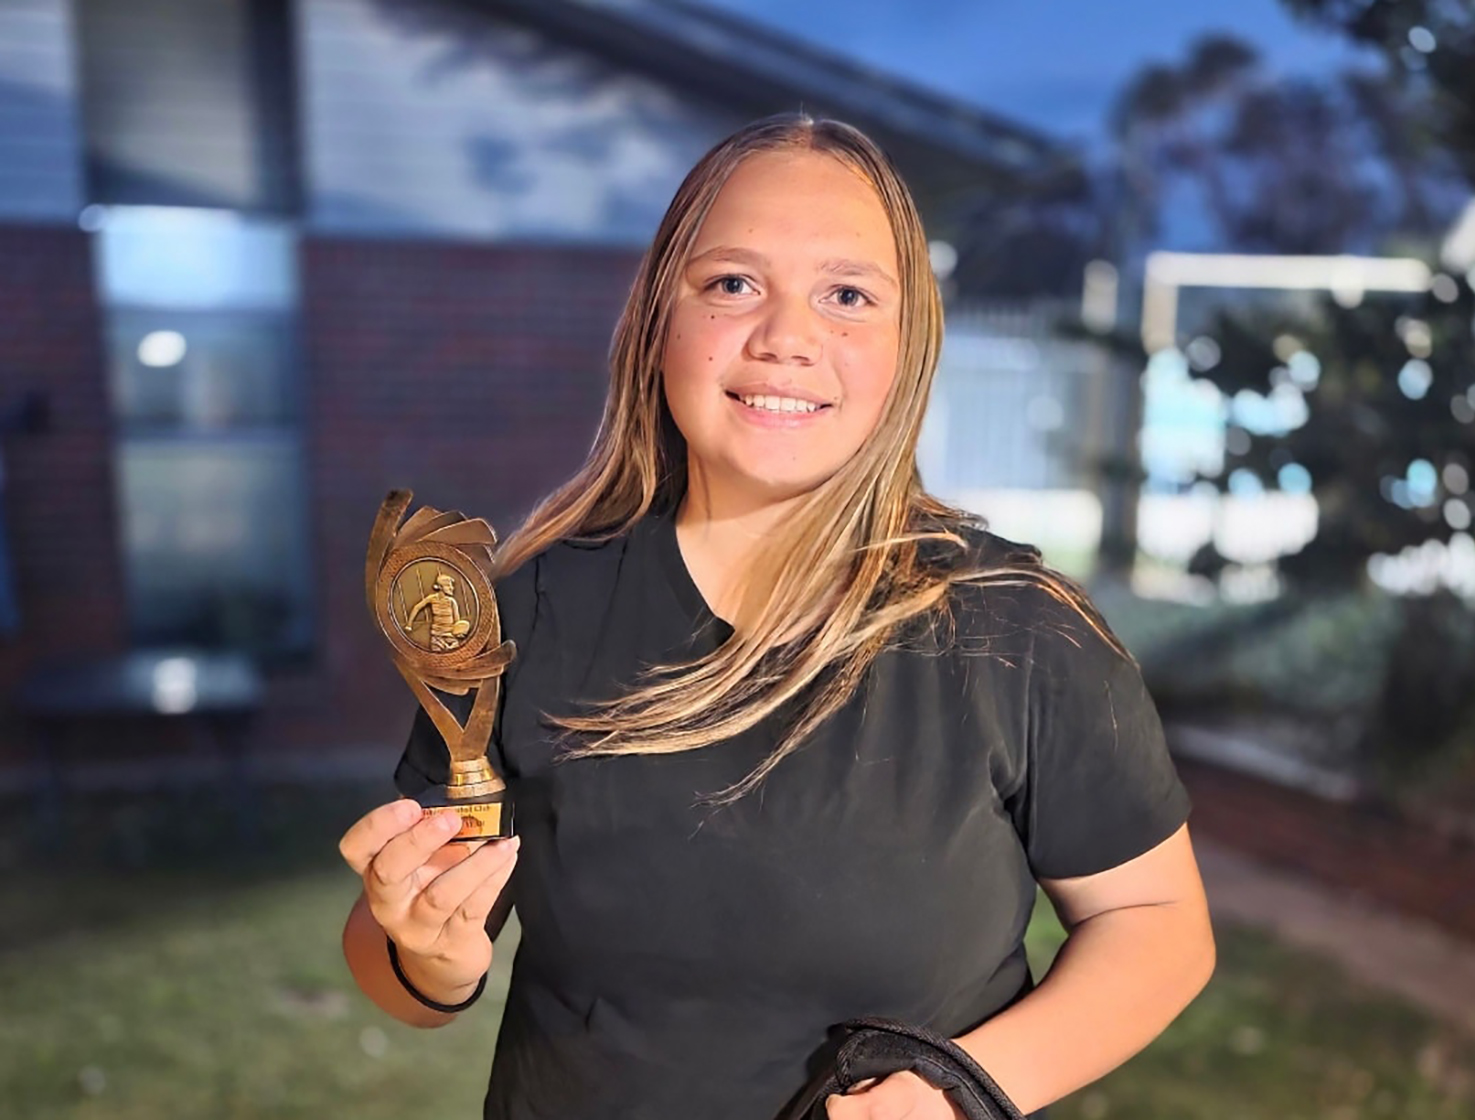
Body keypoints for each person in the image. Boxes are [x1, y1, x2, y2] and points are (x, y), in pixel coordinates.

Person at [338, 112, 1215, 1120]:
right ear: (659, 322)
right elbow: (402, 978)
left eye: (846, 295)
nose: (788, 337)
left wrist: (964, 1092)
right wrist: (421, 948)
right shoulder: (524, 615)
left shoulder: (1019, 631)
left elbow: (1155, 922)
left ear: (908, 340)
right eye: (732, 284)